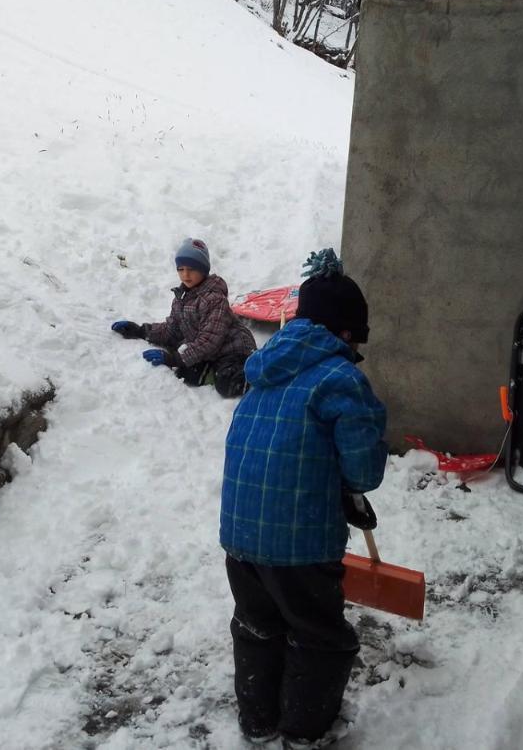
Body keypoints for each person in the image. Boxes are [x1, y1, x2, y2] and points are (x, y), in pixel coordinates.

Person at [219, 249, 388, 748]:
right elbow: (363, 467)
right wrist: (351, 483)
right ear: (344, 332)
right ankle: (302, 728)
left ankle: (257, 719)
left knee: (257, 623)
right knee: (317, 633)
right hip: (300, 544)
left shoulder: (264, 369)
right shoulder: (342, 379)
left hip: (239, 536)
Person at [111, 238, 256, 398]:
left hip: (233, 349)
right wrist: (140, 331)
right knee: (186, 373)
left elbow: (209, 340)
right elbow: (171, 330)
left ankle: (254, 373)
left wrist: (173, 358)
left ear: (203, 270)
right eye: (181, 269)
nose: (185, 274)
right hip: (210, 352)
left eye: (192, 269)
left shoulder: (214, 299)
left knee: (226, 383)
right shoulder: (181, 298)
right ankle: (211, 370)